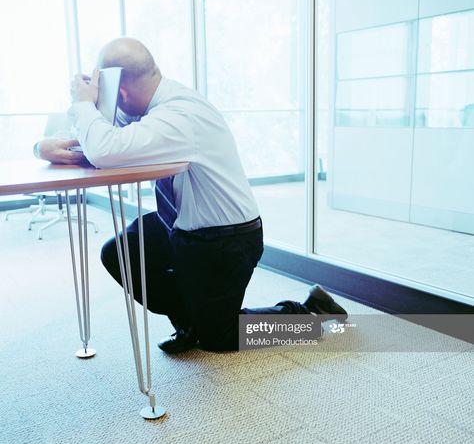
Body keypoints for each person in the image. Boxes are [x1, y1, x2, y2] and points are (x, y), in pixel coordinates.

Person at [35, 37, 347, 353]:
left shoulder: (178, 114)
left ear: (122, 92)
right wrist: (42, 146)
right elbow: (97, 136)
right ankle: (191, 322)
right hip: (182, 226)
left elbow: (103, 149)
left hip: (224, 242)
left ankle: (311, 314)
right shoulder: (150, 107)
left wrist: (83, 104)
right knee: (121, 253)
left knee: (221, 337)